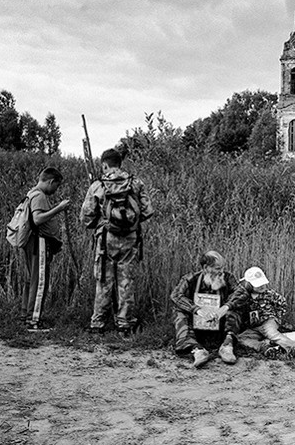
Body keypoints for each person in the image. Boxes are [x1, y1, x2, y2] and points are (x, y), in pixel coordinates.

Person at [80, 148, 153, 337]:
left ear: (104, 164)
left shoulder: (98, 185)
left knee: (103, 279)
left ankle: (98, 323)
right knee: (126, 280)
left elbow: (86, 217)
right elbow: (147, 211)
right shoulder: (135, 183)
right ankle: (124, 323)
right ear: (120, 163)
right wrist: (130, 223)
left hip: (106, 238)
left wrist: (102, 223)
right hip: (130, 238)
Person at [212, 266, 295, 364]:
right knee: (242, 338)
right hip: (254, 326)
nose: (262, 286)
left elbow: (282, 302)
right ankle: (265, 346)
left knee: (273, 334)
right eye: (258, 284)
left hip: (267, 322)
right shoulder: (245, 297)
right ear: (249, 284)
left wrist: (277, 316)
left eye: (263, 283)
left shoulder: (269, 294)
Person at [20, 168, 70, 331]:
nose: (56, 189)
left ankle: (26, 315)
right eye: (57, 185)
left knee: (32, 279)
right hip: (38, 241)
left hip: (33, 242)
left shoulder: (32, 193)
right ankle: (33, 321)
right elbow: (37, 219)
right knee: (40, 281)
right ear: (51, 181)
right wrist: (59, 208)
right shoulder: (40, 195)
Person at [169, 251, 238, 368]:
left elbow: (241, 293)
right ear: (206, 268)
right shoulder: (190, 278)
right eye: (217, 268)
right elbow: (175, 295)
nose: (221, 271)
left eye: (222, 268)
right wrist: (197, 309)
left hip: (221, 323)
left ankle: (227, 346)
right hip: (196, 322)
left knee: (235, 307)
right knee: (178, 311)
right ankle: (197, 349)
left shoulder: (227, 277)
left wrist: (225, 307)